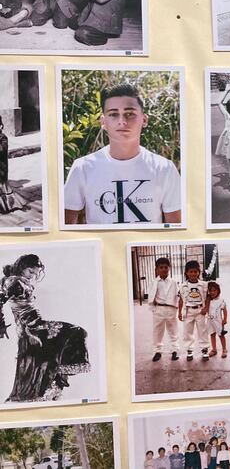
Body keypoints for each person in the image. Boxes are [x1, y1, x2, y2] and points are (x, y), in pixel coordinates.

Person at [63, 83, 182, 225]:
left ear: (144, 120)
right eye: (113, 114)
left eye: (130, 114)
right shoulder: (83, 168)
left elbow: (176, 228)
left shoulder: (164, 168)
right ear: (103, 122)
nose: (122, 121)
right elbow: (67, 226)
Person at [0, 254, 90, 402]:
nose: (32, 276)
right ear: (22, 267)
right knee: (77, 331)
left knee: (74, 334)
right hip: (32, 327)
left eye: (35, 273)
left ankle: (56, 381)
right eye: (30, 271)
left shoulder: (16, 281)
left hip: (36, 323)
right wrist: (1, 326)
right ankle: (57, 380)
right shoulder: (15, 282)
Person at [149, 256, 180, 362]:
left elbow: (177, 296)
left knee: (173, 330)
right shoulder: (154, 282)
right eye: (161, 267)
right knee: (158, 331)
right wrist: (154, 309)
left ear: (169, 268)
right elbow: (151, 296)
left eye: (166, 267)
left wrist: (176, 309)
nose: (163, 269)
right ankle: (158, 351)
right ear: (157, 269)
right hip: (159, 309)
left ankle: (175, 350)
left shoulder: (173, 282)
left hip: (171, 309)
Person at [178, 260, 209, 361]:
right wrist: (179, 312)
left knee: (202, 331)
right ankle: (189, 350)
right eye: (191, 271)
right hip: (188, 311)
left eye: (195, 271)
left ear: (199, 272)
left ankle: (204, 350)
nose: (193, 274)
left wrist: (206, 308)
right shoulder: (183, 286)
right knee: (187, 331)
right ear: (186, 273)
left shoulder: (204, 284)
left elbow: (208, 298)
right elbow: (181, 299)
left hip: (200, 310)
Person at [0, 116, 28, 214]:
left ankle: (9, 205)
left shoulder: (3, 137)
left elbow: (2, 149)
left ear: (0, 126)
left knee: (3, 188)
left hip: (1, 168)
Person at [205, 281, 228, 358]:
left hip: (218, 321)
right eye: (210, 291)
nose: (212, 292)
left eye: (214, 290)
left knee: (221, 335)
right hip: (210, 321)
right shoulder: (208, 300)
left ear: (218, 291)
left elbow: (224, 310)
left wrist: (225, 319)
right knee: (212, 334)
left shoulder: (221, 300)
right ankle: (214, 349)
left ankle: (224, 349)